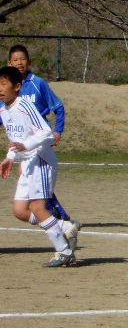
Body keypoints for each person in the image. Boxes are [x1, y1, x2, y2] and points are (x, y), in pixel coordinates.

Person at [0, 65, 80, 267]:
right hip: (28, 162)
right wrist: (9, 157)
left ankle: (64, 252)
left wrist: (26, 146)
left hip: (41, 159)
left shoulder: (24, 105)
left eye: (3, 84)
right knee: (20, 211)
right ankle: (65, 227)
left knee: (38, 207)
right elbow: (16, 139)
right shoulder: (3, 110)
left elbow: (45, 132)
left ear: (17, 87)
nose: (0, 88)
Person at [7, 44, 74, 222]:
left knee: (26, 173)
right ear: (9, 63)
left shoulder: (38, 83)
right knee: (30, 178)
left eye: (22, 59)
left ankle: (56, 216)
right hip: (22, 142)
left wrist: (58, 131)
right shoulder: (8, 88)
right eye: (15, 60)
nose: (19, 63)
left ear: (28, 61)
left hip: (39, 141)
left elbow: (58, 107)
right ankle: (58, 216)